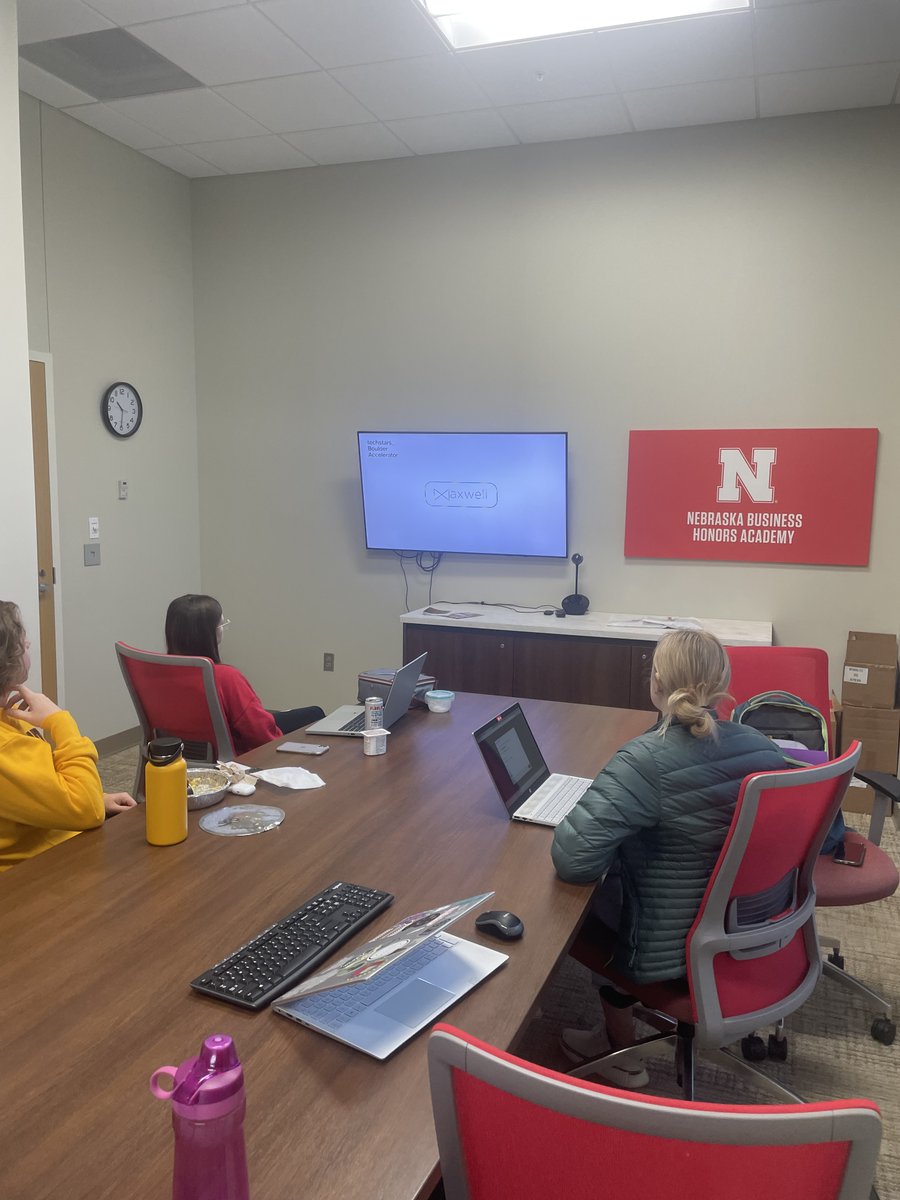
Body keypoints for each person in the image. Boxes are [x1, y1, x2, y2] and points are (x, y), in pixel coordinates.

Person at [551, 628, 786, 1088]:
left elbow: (573, 860)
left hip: (667, 948)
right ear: (722, 683)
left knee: (573, 907)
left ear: (656, 682)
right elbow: (828, 829)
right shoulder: (765, 749)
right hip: (750, 930)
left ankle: (618, 1051)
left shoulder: (644, 761)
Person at [0, 600, 136, 872]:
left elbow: (39, 788)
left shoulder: (9, 718)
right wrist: (61, 722)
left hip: (56, 836)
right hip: (36, 877)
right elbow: (86, 810)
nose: (28, 644)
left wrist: (97, 797)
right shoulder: (7, 746)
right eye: (20, 641)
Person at [164, 594, 324, 755]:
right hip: (232, 753)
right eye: (221, 625)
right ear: (208, 633)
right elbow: (260, 735)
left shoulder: (156, 670)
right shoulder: (225, 677)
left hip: (180, 748)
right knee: (314, 713)